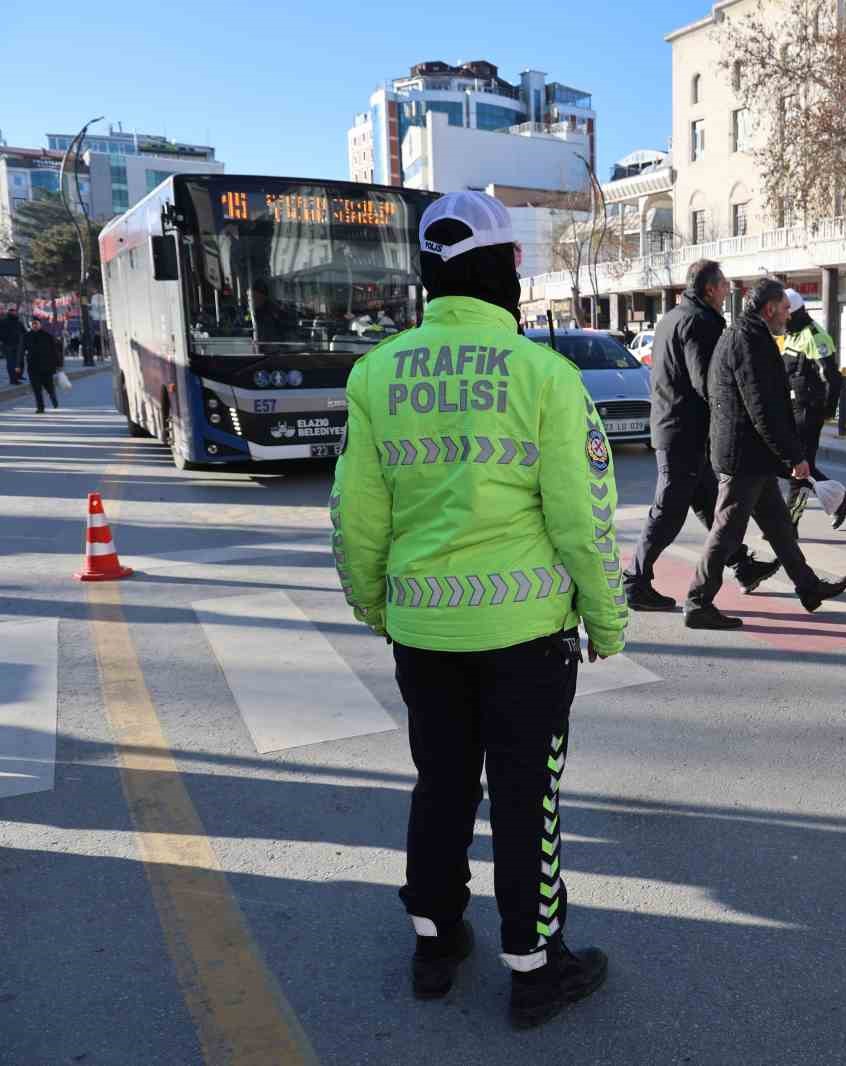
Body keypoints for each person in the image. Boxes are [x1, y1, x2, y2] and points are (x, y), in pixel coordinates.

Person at [330, 191, 619, 1027]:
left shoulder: (376, 373)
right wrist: (607, 618)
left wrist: (372, 601)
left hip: (423, 631)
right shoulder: (545, 375)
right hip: (526, 636)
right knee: (530, 794)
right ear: (512, 270)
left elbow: (358, 514)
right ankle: (535, 968)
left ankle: (434, 941)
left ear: (427, 275)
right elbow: (583, 517)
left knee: (442, 781)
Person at [684, 277, 846, 630]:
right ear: (770, 308)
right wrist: (794, 455)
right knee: (727, 530)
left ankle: (808, 587)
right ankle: (698, 602)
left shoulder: (746, 335)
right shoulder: (749, 340)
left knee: (779, 527)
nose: (789, 316)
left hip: (751, 454)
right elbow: (763, 407)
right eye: (786, 309)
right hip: (743, 455)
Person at [623, 259, 780, 611]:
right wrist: (733, 416)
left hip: (676, 426)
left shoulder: (673, 317)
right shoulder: (700, 322)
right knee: (668, 511)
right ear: (710, 288)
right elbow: (707, 380)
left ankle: (742, 564)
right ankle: (635, 581)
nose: (728, 292)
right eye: (724, 285)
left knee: (710, 502)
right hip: (684, 430)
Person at [782, 289, 846, 529]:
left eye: (785, 313)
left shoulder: (814, 336)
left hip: (808, 411)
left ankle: (790, 524)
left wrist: (827, 410)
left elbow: (832, 378)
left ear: (793, 313)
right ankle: (841, 499)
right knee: (800, 466)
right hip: (794, 408)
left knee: (799, 468)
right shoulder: (792, 334)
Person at [24, 318, 61, 413]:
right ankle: (40, 407)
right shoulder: (26, 336)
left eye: (36, 324)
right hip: (33, 367)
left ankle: (53, 396)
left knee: (49, 387)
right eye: (33, 324)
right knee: (36, 389)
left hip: (46, 367)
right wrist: (18, 365)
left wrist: (58, 364)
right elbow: (21, 351)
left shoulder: (48, 336)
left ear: (40, 325)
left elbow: (54, 351)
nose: (34, 325)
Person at [2, 310, 26, 385]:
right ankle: (13, 379)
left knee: (19, 362)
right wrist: (4, 339)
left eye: (15, 312)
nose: (15, 313)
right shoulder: (3, 322)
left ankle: (18, 376)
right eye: (13, 312)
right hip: (9, 345)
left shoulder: (18, 322)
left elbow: (24, 332)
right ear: (9, 313)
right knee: (12, 363)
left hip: (18, 345)